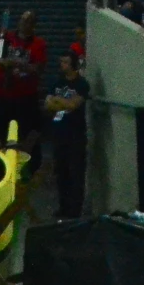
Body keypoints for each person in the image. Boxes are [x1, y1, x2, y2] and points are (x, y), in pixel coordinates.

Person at [0, 9, 46, 148]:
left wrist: (20, 64)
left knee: (29, 135)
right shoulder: (6, 39)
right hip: (4, 95)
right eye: (22, 20)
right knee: (0, 133)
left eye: (28, 21)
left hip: (26, 98)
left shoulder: (38, 44)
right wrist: (3, 62)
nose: (24, 24)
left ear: (33, 25)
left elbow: (38, 68)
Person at [41, 51, 89, 219]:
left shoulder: (82, 84)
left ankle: (75, 211)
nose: (62, 66)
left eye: (66, 62)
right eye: (61, 62)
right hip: (58, 132)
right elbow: (47, 105)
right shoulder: (56, 82)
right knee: (61, 172)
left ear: (73, 65)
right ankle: (63, 207)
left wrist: (58, 101)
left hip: (75, 134)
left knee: (75, 173)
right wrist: (60, 103)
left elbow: (73, 105)